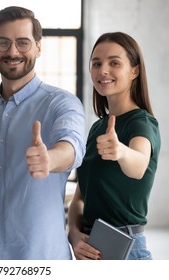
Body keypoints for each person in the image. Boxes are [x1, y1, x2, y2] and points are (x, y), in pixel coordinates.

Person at [0, 6, 86, 260]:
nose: (12, 52)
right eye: (4, 43)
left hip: (41, 258)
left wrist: (50, 159)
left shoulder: (62, 103)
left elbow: (73, 145)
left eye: (23, 42)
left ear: (38, 47)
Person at [68, 32, 161, 260]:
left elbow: (138, 164)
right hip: (90, 248)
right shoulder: (97, 128)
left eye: (114, 63)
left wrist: (121, 151)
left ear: (134, 71)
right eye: (96, 64)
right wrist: (73, 234)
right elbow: (81, 196)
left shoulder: (142, 122)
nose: (103, 71)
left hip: (126, 249)